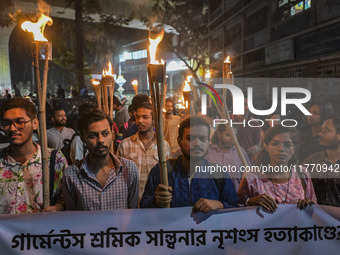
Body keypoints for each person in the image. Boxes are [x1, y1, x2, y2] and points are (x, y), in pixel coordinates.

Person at [140, 116, 238, 211]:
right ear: (179, 141)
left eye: (203, 139)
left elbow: (235, 208)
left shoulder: (218, 174)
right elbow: (143, 207)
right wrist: (155, 201)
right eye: (190, 138)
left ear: (208, 142)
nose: (197, 143)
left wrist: (220, 205)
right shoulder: (162, 171)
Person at [0, 98, 67, 214]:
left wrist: (58, 207)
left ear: (35, 123)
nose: (12, 128)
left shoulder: (54, 159)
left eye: (20, 122)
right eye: (7, 123)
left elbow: (67, 198)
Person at [62, 109, 139, 210]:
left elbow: (133, 212)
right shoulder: (71, 175)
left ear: (112, 134)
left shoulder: (129, 169)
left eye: (105, 133)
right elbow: (73, 217)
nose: (101, 140)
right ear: (83, 138)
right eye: (93, 135)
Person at [238, 125, 317, 212]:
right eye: (275, 143)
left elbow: (313, 205)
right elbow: (237, 207)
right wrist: (249, 201)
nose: (281, 149)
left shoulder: (302, 173)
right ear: (266, 146)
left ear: (294, 149)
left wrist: (308, 205)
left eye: (287, 144)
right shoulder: (252, 177)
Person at [118, 102, 171, 199]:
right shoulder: (125, 145)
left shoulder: (163, 146)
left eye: (145, 117)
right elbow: (119, 176)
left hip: (154, 201)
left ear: (154, 120)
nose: (140, 121)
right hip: (131, 200)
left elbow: (168, 176)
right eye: (137, 117)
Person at [302, 114, 340, 206]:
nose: (320, 133)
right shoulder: (311, 161)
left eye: (326, 130)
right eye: (321, 130)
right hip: (315, 217)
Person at [206, 124, 251, 191]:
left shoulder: (240, 152)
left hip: (235, 194)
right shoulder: (208, 152)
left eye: (234, 136)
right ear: (219, 134)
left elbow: (248, 176)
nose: (232, 139)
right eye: (228, 135)